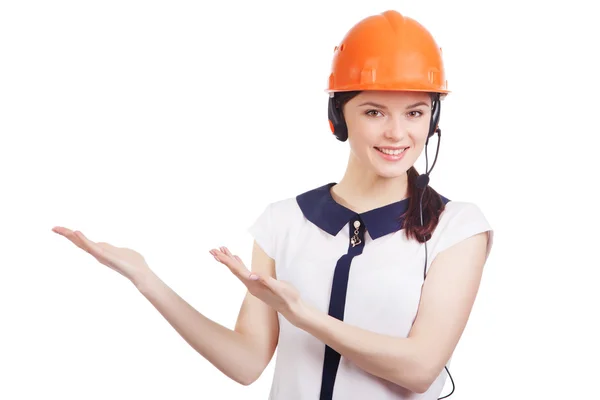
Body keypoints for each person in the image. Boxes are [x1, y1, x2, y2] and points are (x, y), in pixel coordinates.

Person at [52, 10, 494, 400]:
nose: (398, 134)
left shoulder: (457, 227)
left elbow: (419, 368)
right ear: (338, 118)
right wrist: (146, 279)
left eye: (415, 112)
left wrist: (301, 315)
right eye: (375, 112)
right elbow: (245, 364)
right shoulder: (284, 222)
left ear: (433, 120)